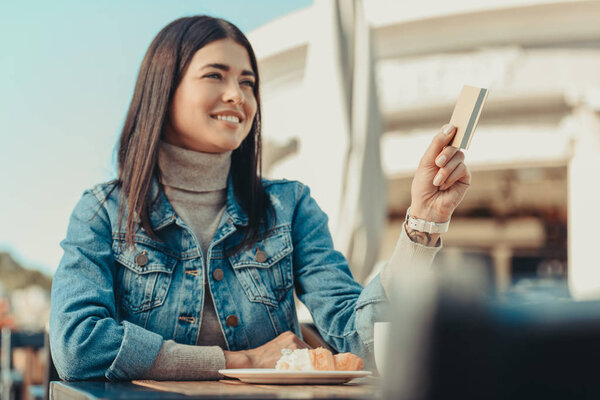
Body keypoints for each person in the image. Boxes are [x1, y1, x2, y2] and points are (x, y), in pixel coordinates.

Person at [49, 15, 470, 381]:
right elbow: (77, 345)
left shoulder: (290, 208)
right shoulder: (103, 212)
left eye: (247, 82)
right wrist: (241, 361)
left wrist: (423, 222)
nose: (238, 95)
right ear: (165, 88)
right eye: (215, 75)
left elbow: (362, 341)